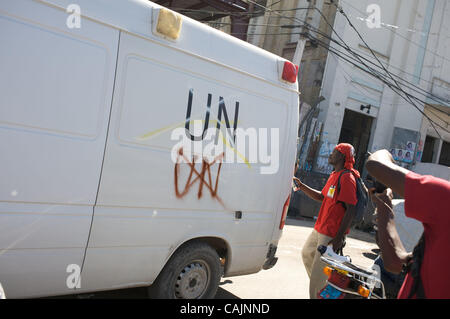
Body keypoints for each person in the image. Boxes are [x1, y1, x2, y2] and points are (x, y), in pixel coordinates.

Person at [366, 149, 450, 298]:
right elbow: (396, 262)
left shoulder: (445, 198)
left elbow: (375, 164)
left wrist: (385, 152)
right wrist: (384, 208)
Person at [293, 143, 359, 299]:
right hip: (320, 228)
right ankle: (325, 289)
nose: (330, 154)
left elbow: (351, 209)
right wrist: (301, 186)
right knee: (306, 254)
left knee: (318, 275)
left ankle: (320, 290)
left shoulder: (347, 178)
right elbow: (320, 197)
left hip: (331, 233)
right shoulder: (334, 175)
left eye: (335, 152)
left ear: (342, 157)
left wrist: (338, 238)